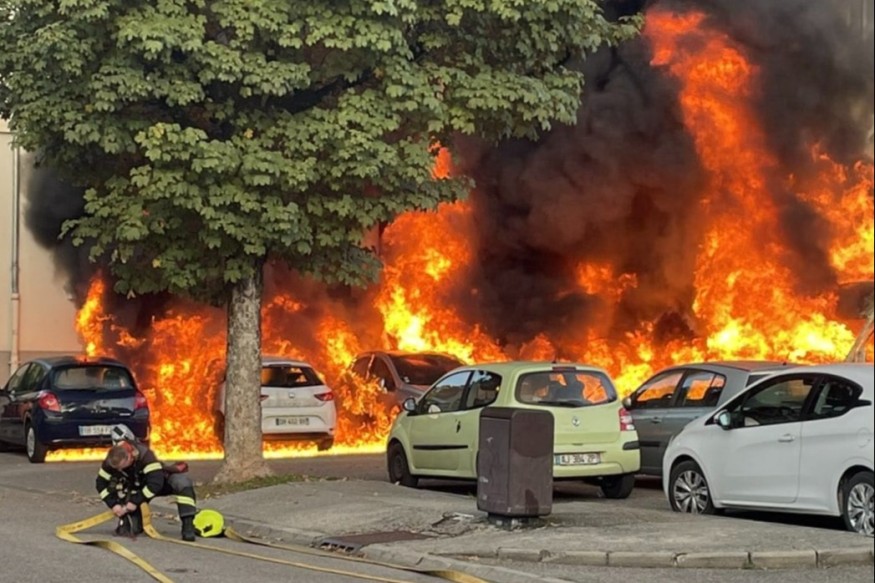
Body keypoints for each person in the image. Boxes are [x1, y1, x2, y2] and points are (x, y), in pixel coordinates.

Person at [95, 424, 197, 541]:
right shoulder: (111, 461)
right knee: (128, 530)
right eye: (117, 469)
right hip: (135, 489)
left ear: (131, 457)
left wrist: (135, 501)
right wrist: (113, 504)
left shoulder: (145, 456)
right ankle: (133, 524)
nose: (120, 470)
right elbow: (100, 484)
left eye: (122, 467)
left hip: (159, 483)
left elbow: (155, 483)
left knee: (182, 483)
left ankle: (188, 526)